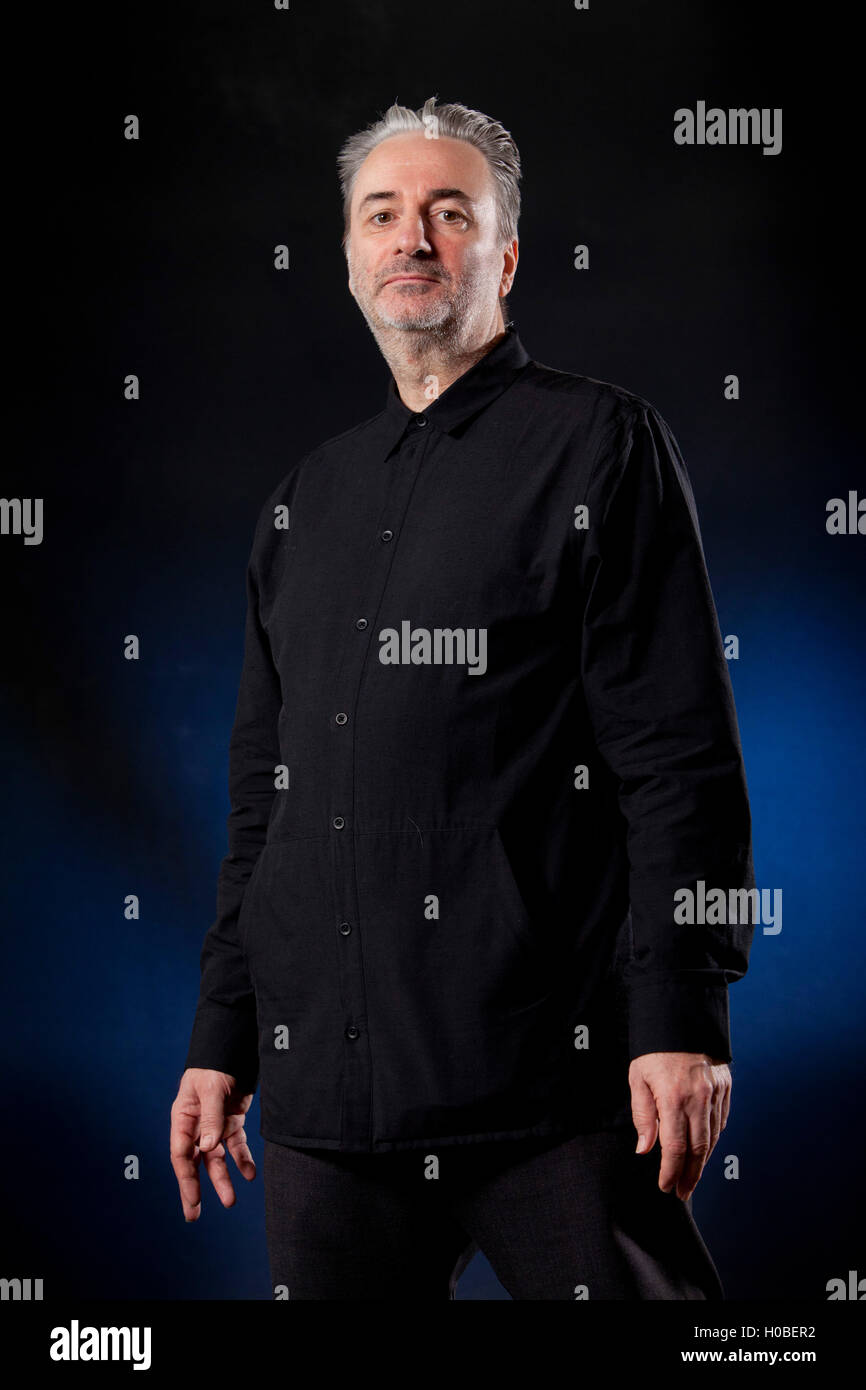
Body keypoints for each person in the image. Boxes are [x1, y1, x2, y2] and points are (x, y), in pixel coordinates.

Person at [170, 96, 756, 1300]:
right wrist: (220, 1041)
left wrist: (679, 1013)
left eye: (449, 212)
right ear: (346, 255)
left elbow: (676, 756)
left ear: (505, 252)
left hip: (553, 1086)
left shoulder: (601, 446)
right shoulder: (303, 501)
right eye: (380, 214)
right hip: (326, 1113)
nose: (411, 238)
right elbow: (260, 811)